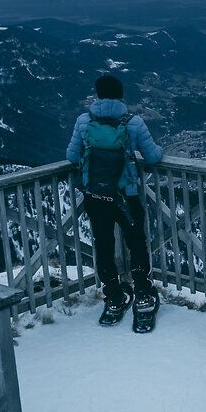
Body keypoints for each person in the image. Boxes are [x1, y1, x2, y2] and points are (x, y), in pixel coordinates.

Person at [66, 73, 164, 327]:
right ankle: (142, 292)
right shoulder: (133, 122)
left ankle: (113, 296)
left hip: (95, 196)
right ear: (121, 95)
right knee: (137, 242)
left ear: (97, 94)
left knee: (104, 243)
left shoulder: (84, 121)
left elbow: (71, 155)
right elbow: (152, 157)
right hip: (125, 196)